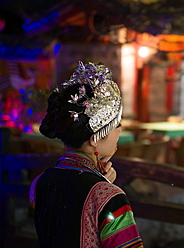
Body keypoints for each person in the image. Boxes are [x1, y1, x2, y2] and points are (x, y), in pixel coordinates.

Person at [29, 61, 144, 248]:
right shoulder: (110, 198)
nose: (119, 132)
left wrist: (100, 181)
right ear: (94, 139)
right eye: (117, 125)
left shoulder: (39, 183)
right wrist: (105, 189)